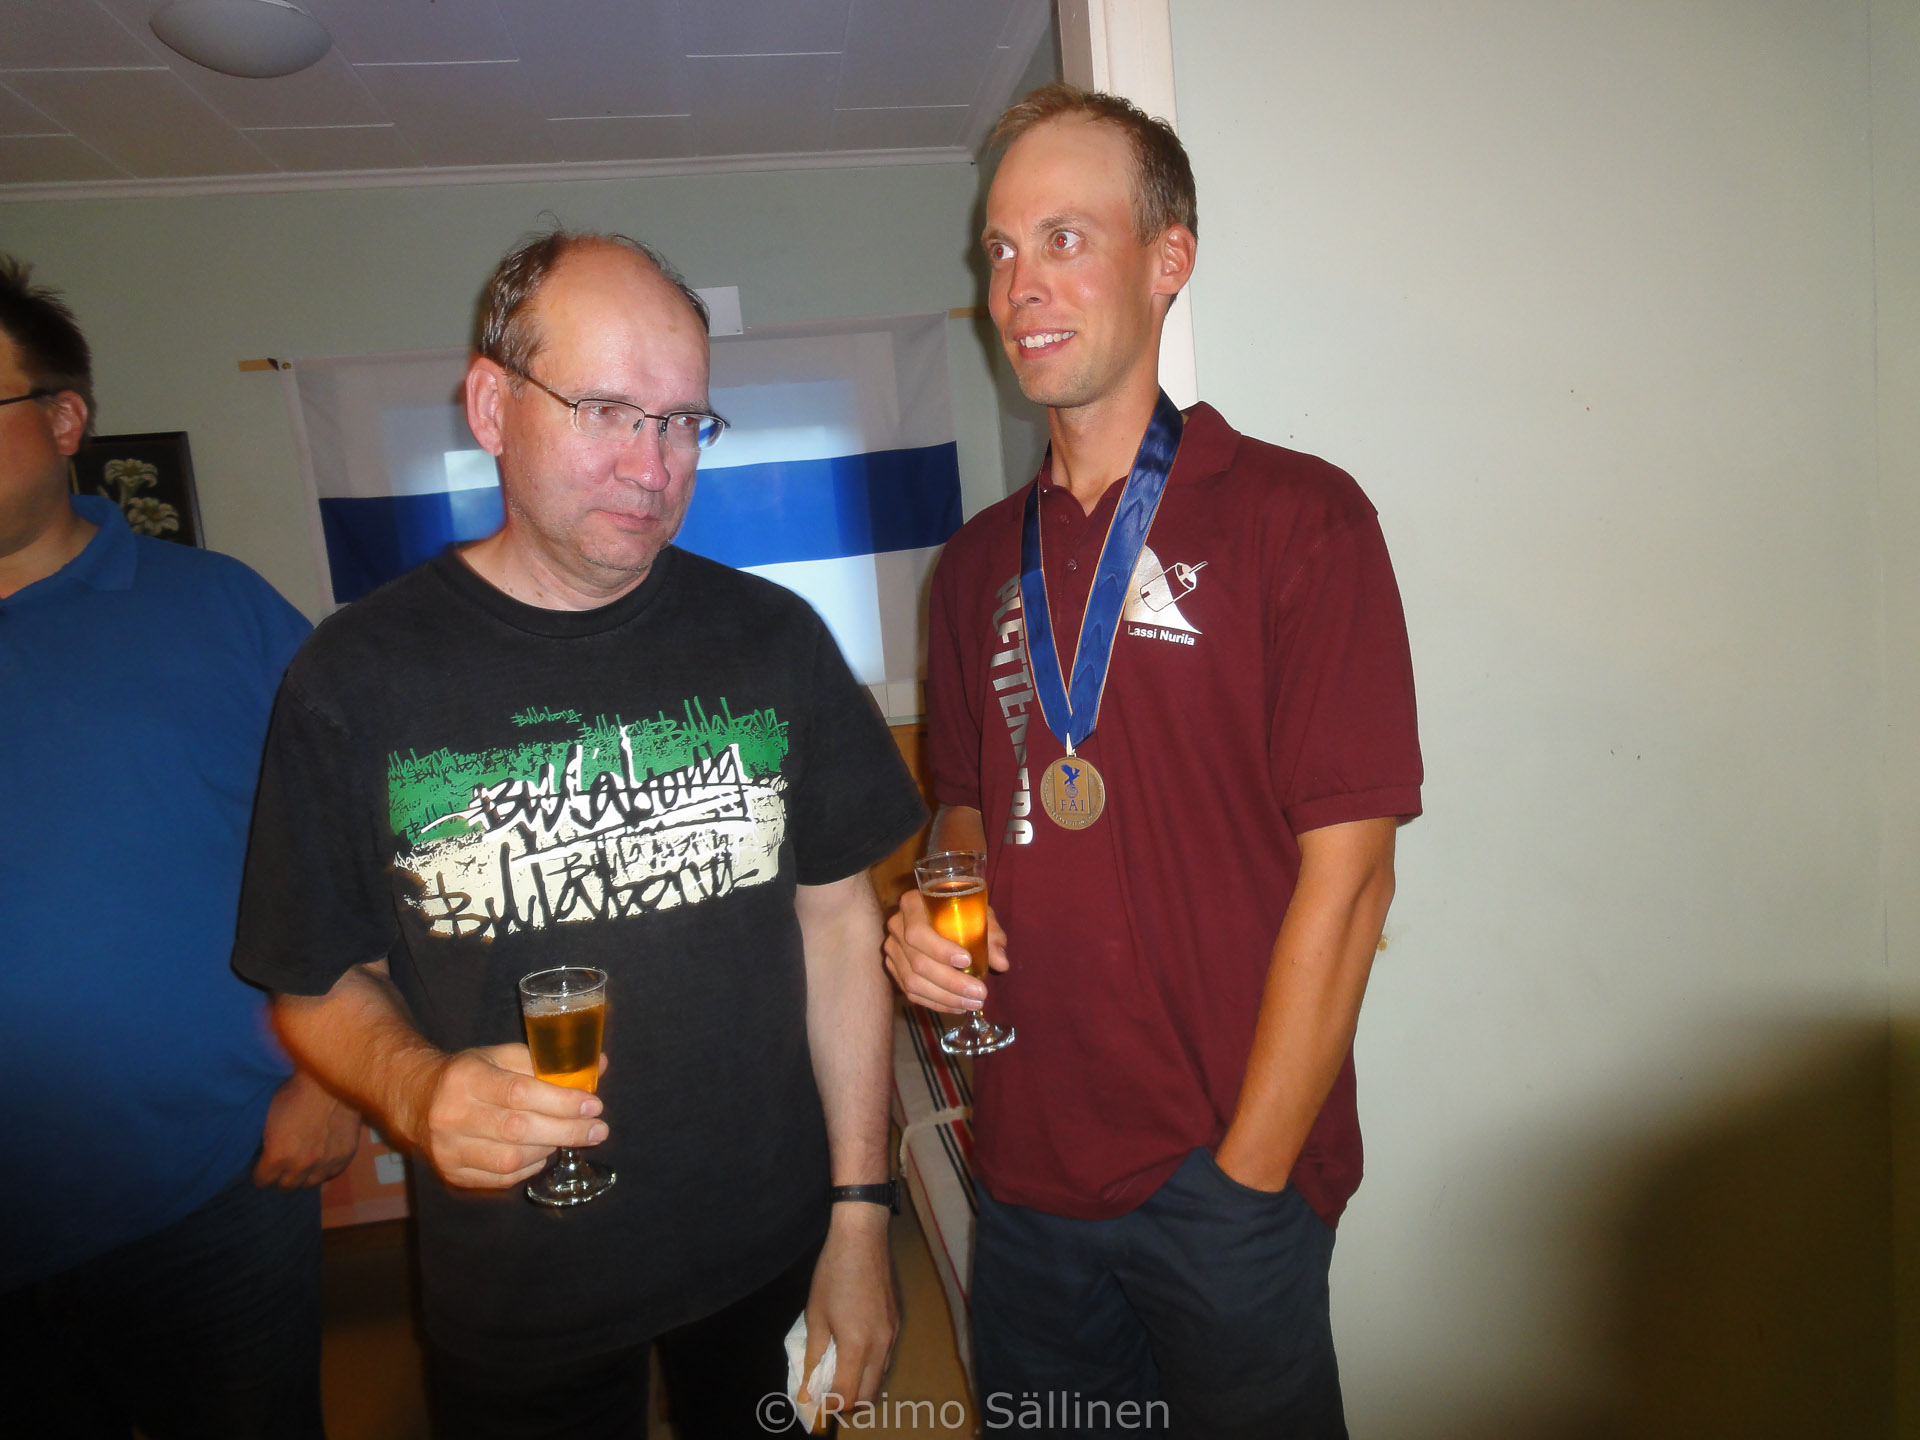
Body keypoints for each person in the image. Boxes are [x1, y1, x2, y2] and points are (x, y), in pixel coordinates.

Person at [231, 230, 926, 1437]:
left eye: (683, 422)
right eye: (605, 410)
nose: (651, 466)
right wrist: (418, 1088)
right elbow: (312, 982)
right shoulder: (352, 679)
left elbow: (836, 926)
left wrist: (861, 1213)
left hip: (769, 1242)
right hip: (516, 1282)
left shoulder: (775, 640)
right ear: (490, 406)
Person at [884, 85, 1424, 1436]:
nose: (1019, 285)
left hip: (1222, 1175)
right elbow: (964, 806)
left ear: (1168, 257)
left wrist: (1248, 1176)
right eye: (1001, 249)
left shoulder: (1301, 518)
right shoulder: (974, 565)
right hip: (1024, 1173)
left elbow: (1354, 879)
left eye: (1064, 238)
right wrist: (933, 909)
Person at [0, 255, 357, 1439]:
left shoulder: (219, 610)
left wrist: (331, 1078)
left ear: (64, 421)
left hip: (211, 1192)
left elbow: (357, 846)